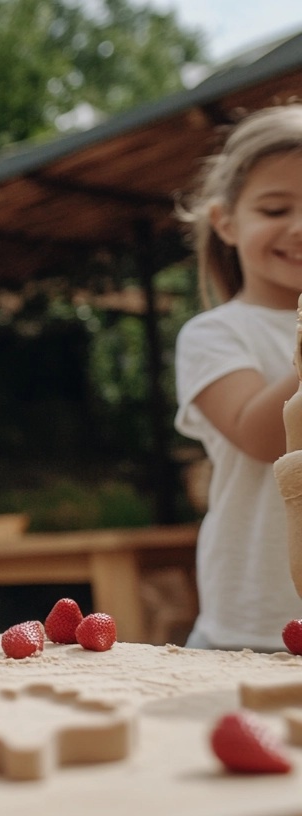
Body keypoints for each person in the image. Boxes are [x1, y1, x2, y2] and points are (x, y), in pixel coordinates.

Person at [174, 103, 302, 652]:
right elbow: (262, 436)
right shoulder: (213, 335)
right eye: (276, 208)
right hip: (252, 627)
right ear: (226, 221)